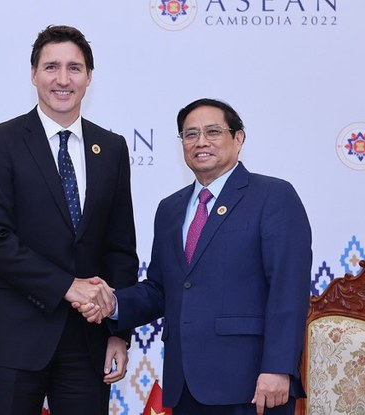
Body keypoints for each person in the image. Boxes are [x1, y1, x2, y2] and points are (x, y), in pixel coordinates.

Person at [76, 98, 312, 415]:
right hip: (185, 384)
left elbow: (288, 290)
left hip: (252, 383)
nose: (201, 142)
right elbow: (160, 289)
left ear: (238, 138)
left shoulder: (273, 196)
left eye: (213, 132)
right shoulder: (170, 209)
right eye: (190, 134)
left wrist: (278, 368)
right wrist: (113, 303)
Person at [0, 25, 138, 415]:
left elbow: (120, 248)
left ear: (89, 77)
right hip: (13, 336)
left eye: (74, 68)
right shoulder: (1, 141)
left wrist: (118, 331)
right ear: (33, 74)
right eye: (51, 67)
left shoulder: (111, 148)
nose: (63, 79)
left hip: (88, 340)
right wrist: (68, 287)